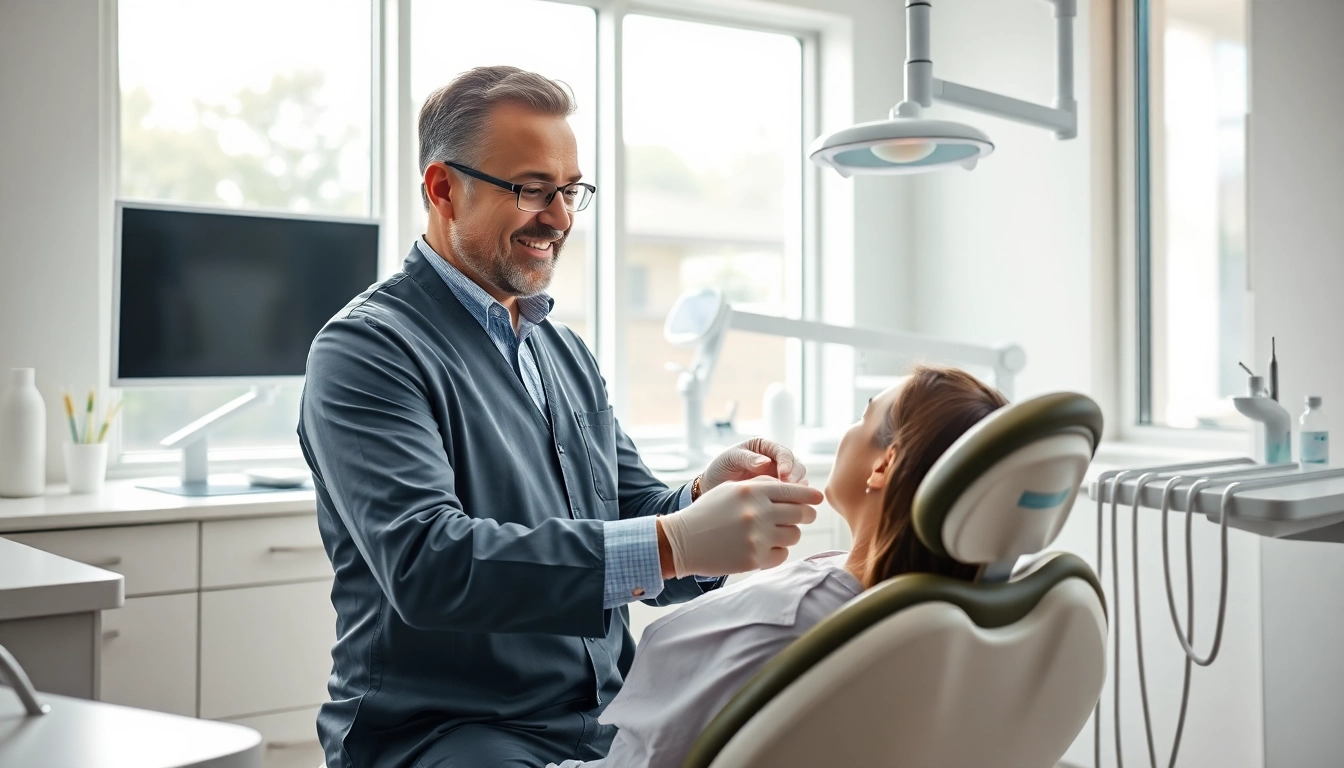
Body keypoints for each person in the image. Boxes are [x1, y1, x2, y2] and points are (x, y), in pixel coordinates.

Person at [297, 66, 822, 768]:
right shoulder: (368, 349)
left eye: (570, 190)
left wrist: (702, 500)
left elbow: (634, 513)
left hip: (608, 714)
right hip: (447, 735)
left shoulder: (561, 350)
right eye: (531, 189)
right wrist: (674, 541)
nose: (561, 218)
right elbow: (430, 564)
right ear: (443, 188)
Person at [553, 365, 1009, 768]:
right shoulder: (953, 623)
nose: (851, 427)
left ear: (883, 466)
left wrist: (680, 541)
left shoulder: (783, 620)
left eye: (863, 415)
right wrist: (698, 500)